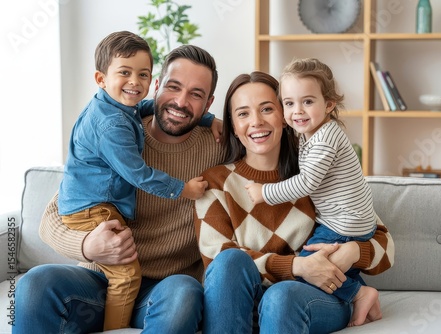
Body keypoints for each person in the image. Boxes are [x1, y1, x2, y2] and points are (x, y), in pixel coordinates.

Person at [13, 44, 225, 333]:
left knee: (185, 292)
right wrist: (88, 246)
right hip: (99, 281)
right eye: (173, 87)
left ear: (208, 104)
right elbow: (52, 217)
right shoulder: (117, 133)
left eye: (196, 94)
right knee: (35, 284)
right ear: (158, 86)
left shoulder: (218, 148)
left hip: (163, 290)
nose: (180, 101)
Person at [194, 71, 394, 333]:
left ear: (286, 115)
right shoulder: (216, 182)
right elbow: (217, 263)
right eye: (243, 113)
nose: (256, 121)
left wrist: (355, 252)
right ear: (232, 124)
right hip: (243, 303)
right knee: (231, 261)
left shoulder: (317, 170)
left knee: (281, 297)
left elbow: (385, 245)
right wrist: (296, 266)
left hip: (312, 298)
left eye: (267, 109)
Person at [245, 57, 379, 327]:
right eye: (289, 103)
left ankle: (358, 293)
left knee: (308, 265)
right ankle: (357, 290)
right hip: (349, 219)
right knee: (324, 261)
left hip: (345, 222)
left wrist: (264, 193)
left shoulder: (326, 138)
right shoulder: (309, 134)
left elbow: (306, 183)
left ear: (329, 105)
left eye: (308, 101)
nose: (297, 111)